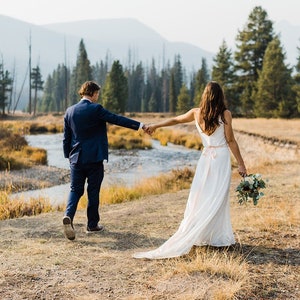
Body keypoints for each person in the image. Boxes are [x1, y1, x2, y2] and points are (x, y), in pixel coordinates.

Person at [133, 81, 247, 259]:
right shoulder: (225, 114)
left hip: (205, 158)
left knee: (201, 196)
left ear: (205, 96)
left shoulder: (196, 113)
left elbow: (175, 120)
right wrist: (241, 163)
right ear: (220, 96)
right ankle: (214, 237)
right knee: (217, 196)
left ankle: (204, 234)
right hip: (220, 159)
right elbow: (231, 140)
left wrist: (156, 125)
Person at [63, 81, 147, 240]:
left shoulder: (70, 111)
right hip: (94, 158)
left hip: (76, 159)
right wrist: (140, 125)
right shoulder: (96, 109)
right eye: (97, 94)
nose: (97, 97)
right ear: (93, 93)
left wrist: (69, 157)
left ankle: (68, 216)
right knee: (93, 191)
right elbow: (116, 119)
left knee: (75, 190)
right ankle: (92, 225)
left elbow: (66, 138)